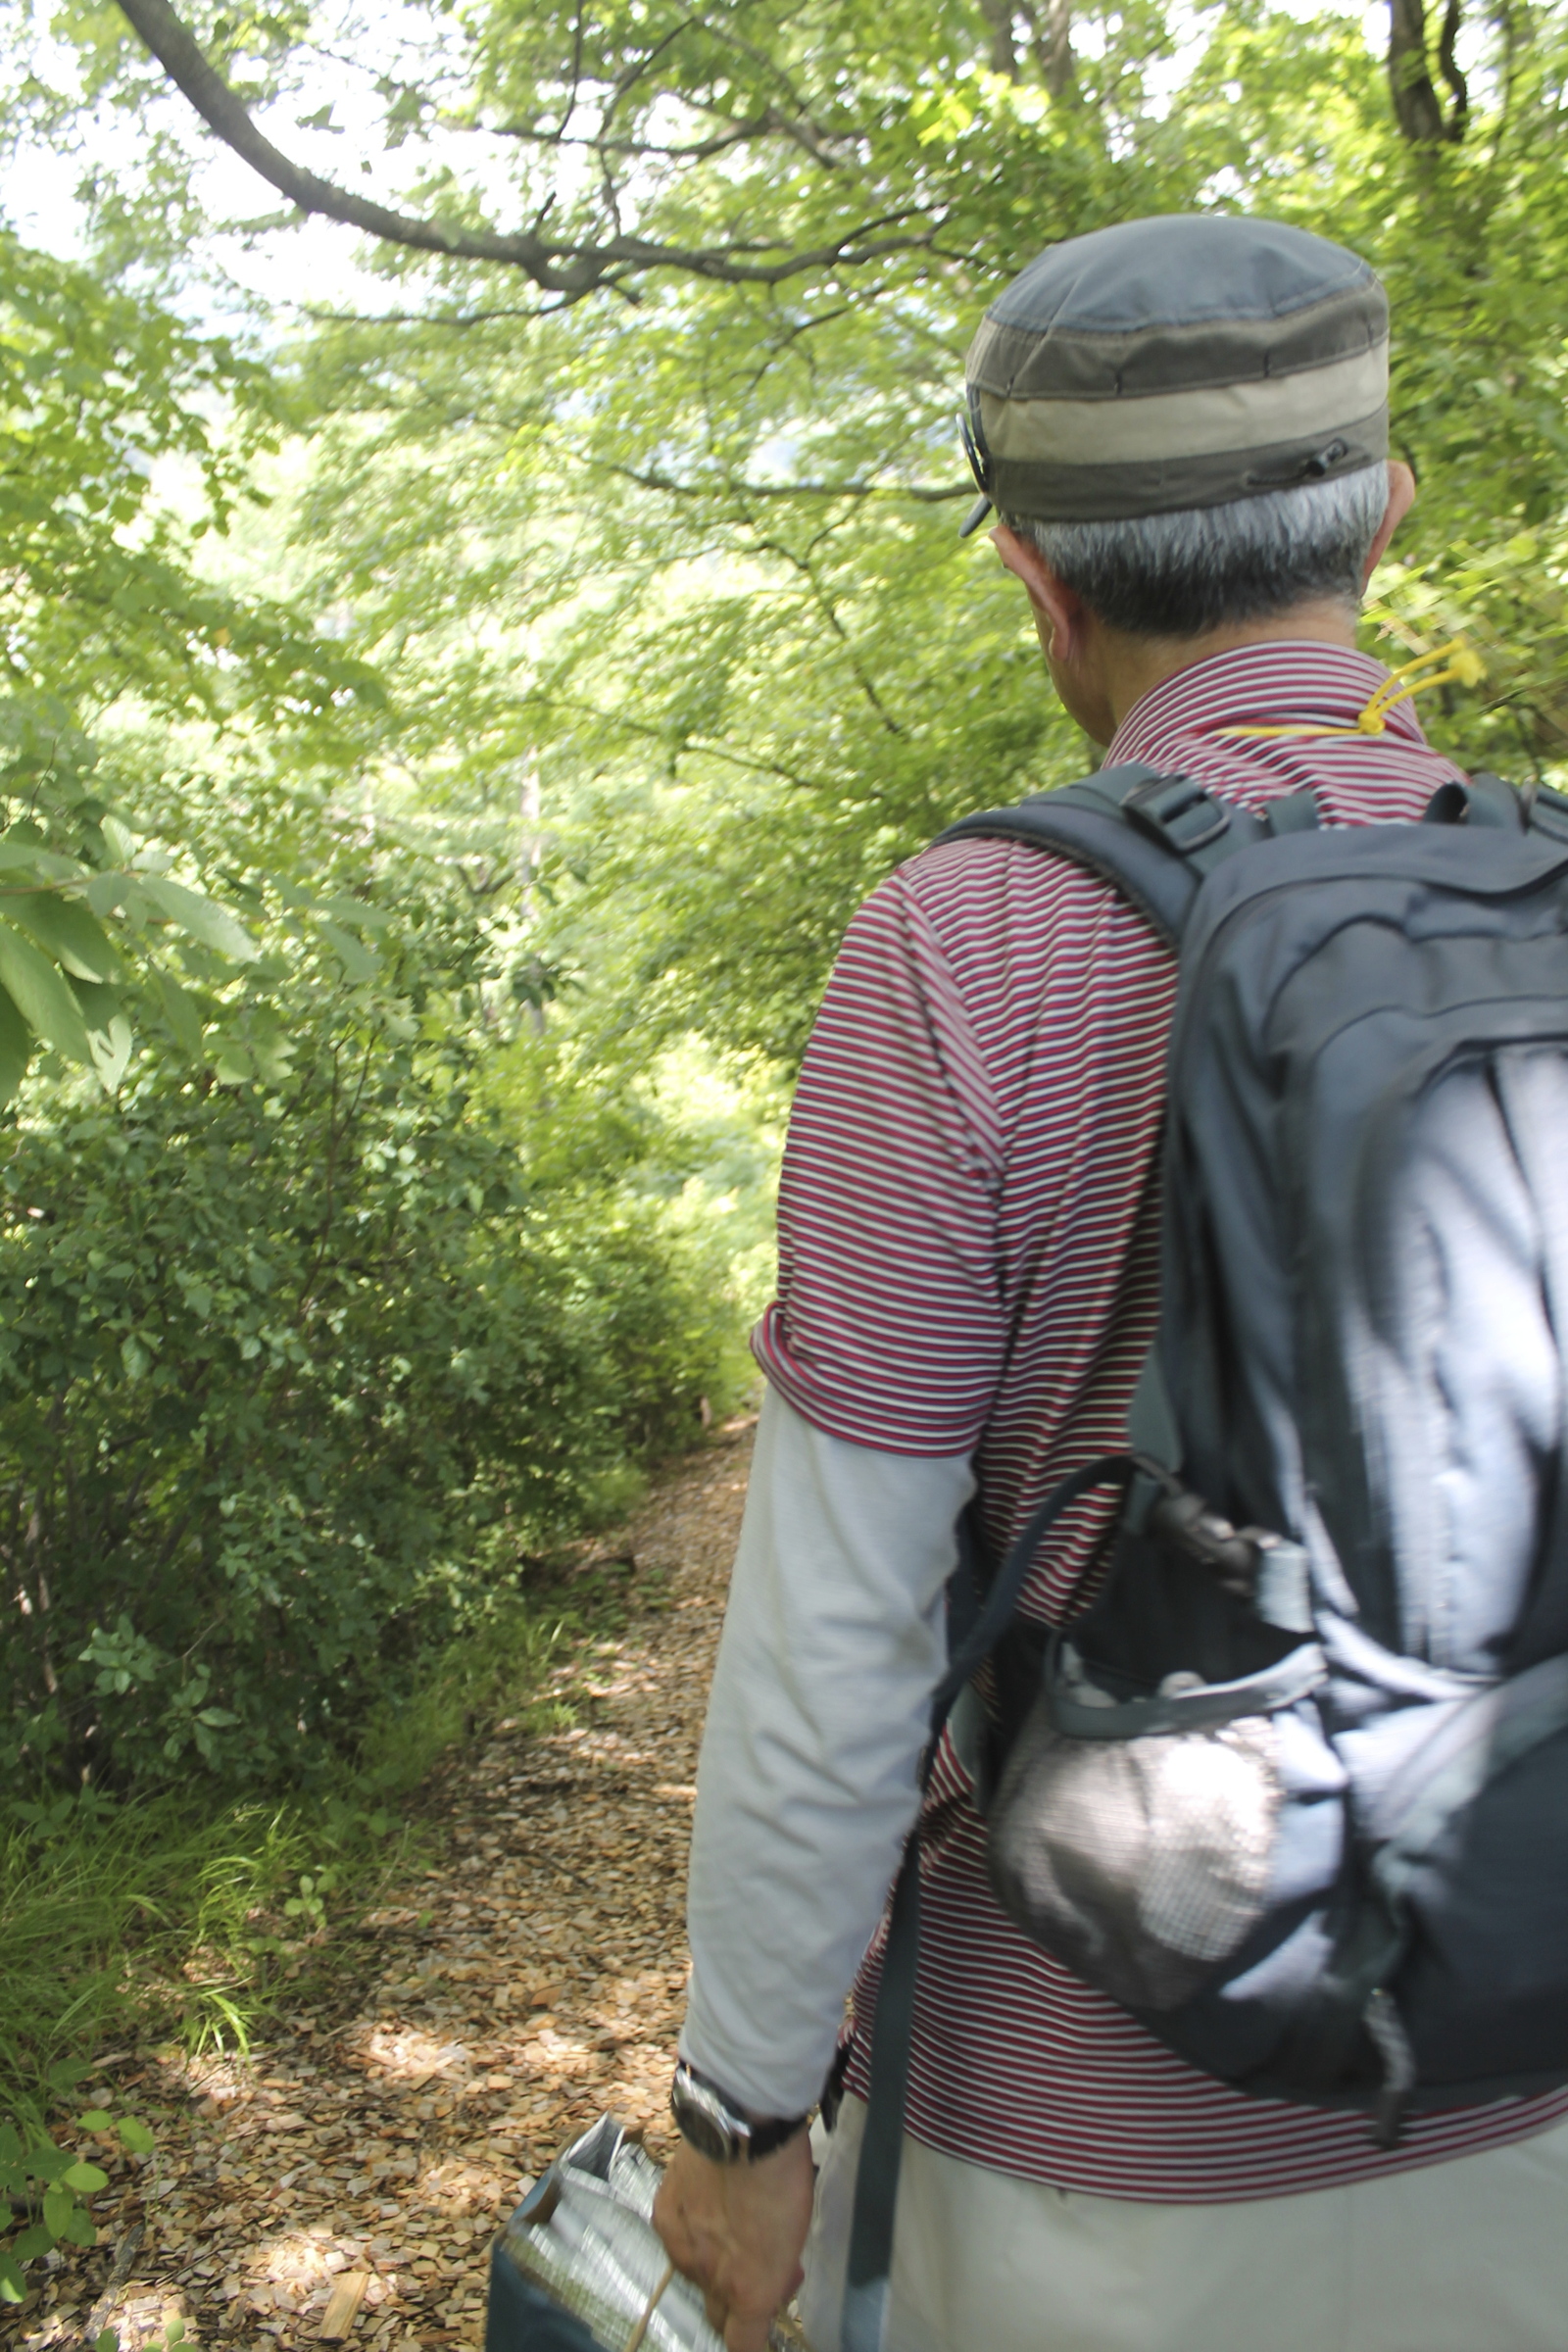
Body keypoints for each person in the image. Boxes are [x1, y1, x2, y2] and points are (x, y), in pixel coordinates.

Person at [651, 215, 1568, 2352]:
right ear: (1388, 511)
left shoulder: (961, 946)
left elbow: (836, 1634)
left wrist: (740, 2112)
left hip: (1082, 2146)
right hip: (1526, 2049)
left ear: (1029, 573)